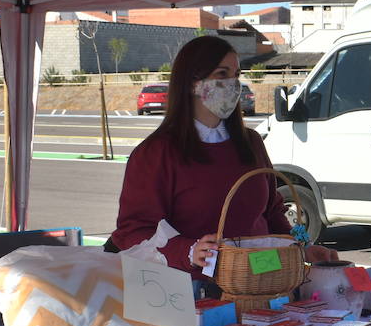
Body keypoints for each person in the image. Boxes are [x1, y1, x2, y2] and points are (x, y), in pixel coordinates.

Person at [110, 35, 335, 276]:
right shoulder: (156, 154)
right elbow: (133, 231)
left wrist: (302, 249)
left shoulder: (251, 143)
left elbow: (272, 212)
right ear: (191, 83)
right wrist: (187, 251)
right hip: (192, 287)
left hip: (260, 277)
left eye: (236, 75)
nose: (233, 84)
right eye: (222, 74)